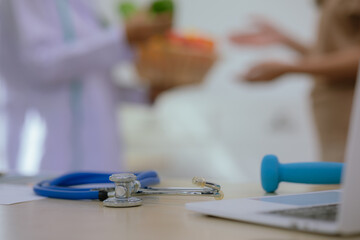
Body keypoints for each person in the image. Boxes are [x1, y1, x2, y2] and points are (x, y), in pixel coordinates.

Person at [0, 0, 133, 172]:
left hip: (100, 151)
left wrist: (142, 94)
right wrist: (121, 39)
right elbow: (41, 66)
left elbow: (92, 82)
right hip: (43, 148)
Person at [230, 0, 360, 162]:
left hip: (349, 123)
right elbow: (330, 57)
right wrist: (286, 40)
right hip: (336, 128)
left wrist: (288, 68)